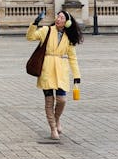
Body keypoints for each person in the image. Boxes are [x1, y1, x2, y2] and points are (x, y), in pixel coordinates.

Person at [27, 10, 82, 140]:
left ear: (67, 22)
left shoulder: (68, 38)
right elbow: (30, 37)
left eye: (62, 17)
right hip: (46, 69)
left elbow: (72, 58)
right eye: (58, 16)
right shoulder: (47, 30)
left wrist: (76, 76)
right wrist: (35, 23)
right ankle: (53, 128)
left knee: (62, 100)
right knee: (49, 101)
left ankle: (56, 119)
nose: (58, 19)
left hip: (61, 71)